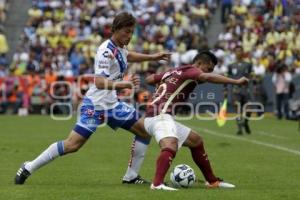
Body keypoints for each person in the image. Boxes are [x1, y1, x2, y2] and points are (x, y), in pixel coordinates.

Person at [15, 12, 171, 185]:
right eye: (126, 31)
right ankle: (28, 166)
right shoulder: (106, 50)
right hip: (95, 105)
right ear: (116, 29)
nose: (129, 36)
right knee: (72, 145)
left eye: (132, 32)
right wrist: (125, 84)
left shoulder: (120, 47)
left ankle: (131, 176)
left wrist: (153, 56)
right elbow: (99, 82)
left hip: (112, 106)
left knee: (144, 131)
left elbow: (129, 55)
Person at [143, 51, 249, 190]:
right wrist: (235, 81)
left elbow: (149, 79)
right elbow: (207, 77)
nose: (209, 72)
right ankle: (157, 184)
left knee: (196, 140)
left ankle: (212, 182)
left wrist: (162, 82)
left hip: (157, 115)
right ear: (199, 63)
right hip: (160, 115)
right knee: (170, 145)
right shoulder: (191, 71)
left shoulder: (176, 70)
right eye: (208, 68)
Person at [226, 46, 252, 135]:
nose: (239, 53)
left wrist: (253, 84)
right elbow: (227, 77)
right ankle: (239, 128)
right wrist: (225, 89)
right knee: (238, 110)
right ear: (235, 53)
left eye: (240, 51)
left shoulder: (248, 65)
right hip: (236, 91)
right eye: (237, 51)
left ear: (243, 52)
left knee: (249, 110)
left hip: (245, 90)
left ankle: (246, 122)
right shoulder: (231, 65)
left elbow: (251, 76)